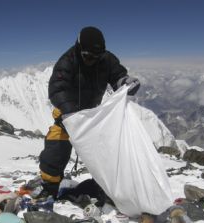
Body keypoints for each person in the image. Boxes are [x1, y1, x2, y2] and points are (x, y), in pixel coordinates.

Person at [36, 26, 140, 199]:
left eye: (96, 56)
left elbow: (117, 75)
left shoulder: (106, 60)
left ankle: (105, 187)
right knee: (56, 148)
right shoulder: (67, 61)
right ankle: (50, 187)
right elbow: (57, 89)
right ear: (78, 48)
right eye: (87, 56)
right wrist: (70, 112)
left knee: (107, 150)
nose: (92, 60)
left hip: (93, 116)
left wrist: (125, 82)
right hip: (67, 117)